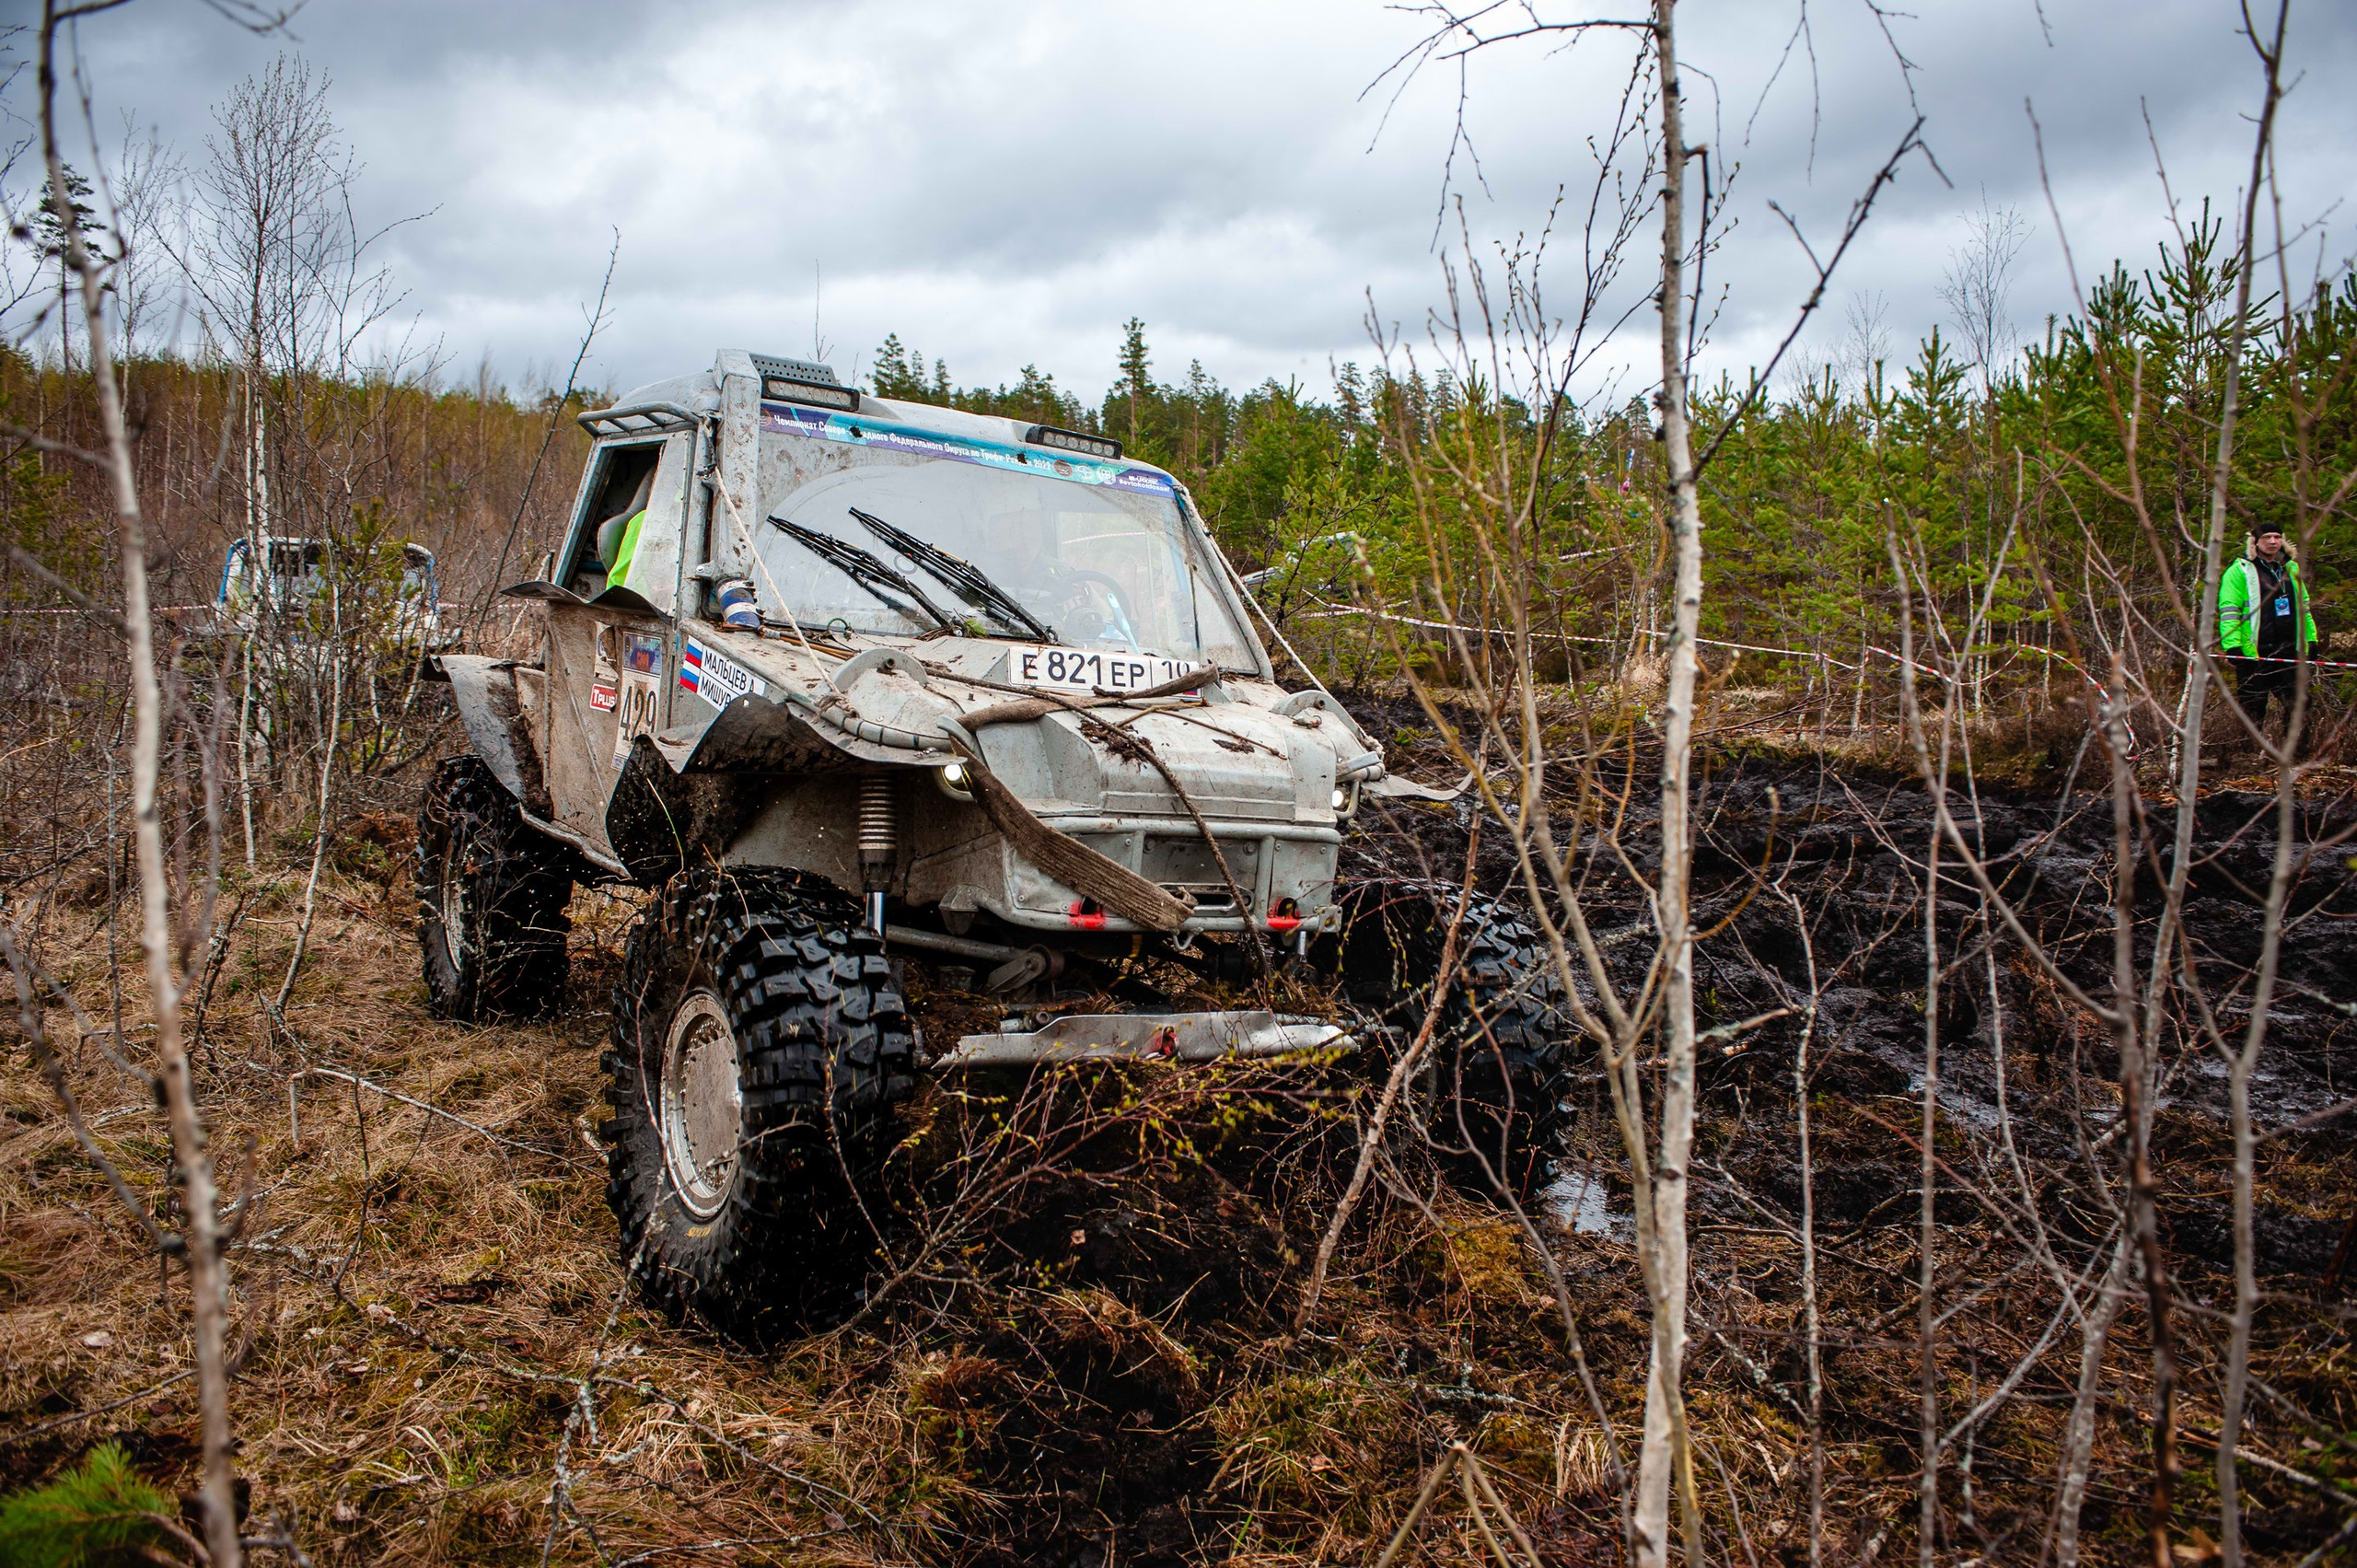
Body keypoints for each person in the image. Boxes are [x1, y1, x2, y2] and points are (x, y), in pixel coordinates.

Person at [2216, 523, 2318, 734]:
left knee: (2300, 703)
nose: (2273, 541)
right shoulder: (2239, 571)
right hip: (2254, 652)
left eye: (2277, 537)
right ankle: (2248, 756)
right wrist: (2232, 646)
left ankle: (2295, 753)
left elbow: (2304, 608)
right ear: (2255, 541)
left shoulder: (2291, 568)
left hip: (2289, 650)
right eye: (2267, 537)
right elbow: (2229, 612)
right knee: (2253, 708)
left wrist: (2311, 639)